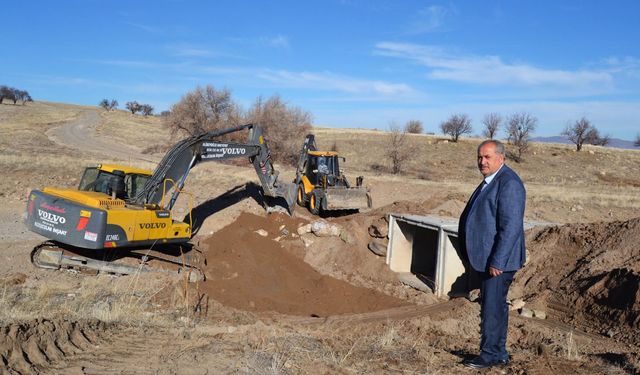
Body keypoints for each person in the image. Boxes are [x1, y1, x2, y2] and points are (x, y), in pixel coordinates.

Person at [459, 139, 526, 369]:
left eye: (487, 157)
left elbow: (511, 226)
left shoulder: (509, 183)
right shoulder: (490, 181)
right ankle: (497, 353)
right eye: (479, 157)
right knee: (494, 305)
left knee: (492, 307)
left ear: (501, 158)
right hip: (489, 258)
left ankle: (489, 356)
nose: (482, 161)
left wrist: (498, 260)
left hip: (499, 261)